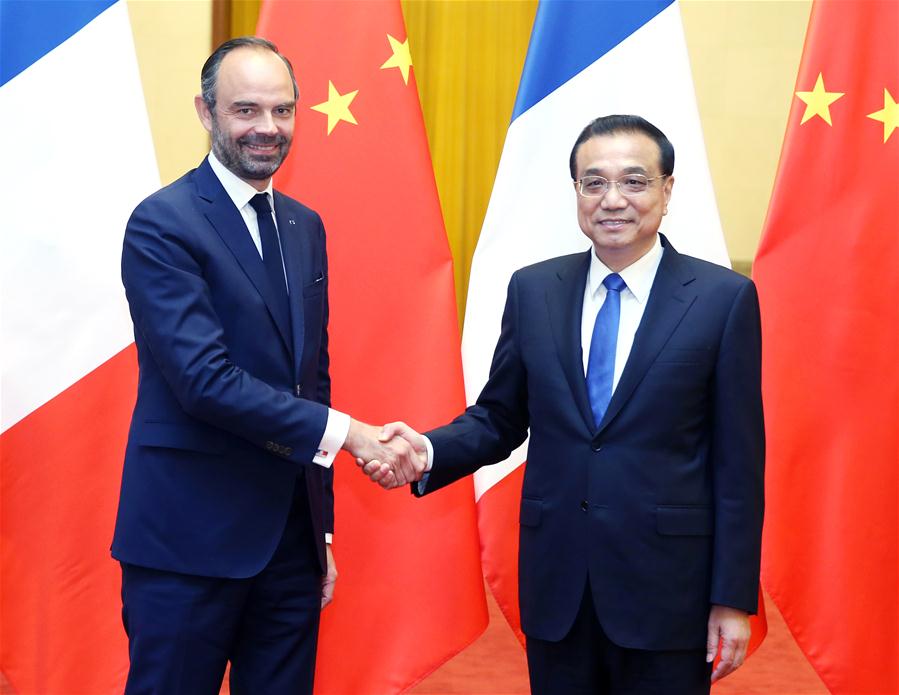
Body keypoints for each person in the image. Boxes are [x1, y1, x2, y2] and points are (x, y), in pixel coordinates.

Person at [367, 115, 764, 694]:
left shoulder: (722, 300)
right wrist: (427, 450)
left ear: (667, 190)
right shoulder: (534, 290)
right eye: (594, 182)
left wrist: (731, 598)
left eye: (634, 181)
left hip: (668, 593)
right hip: (560, 588)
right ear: (576, 192)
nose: (613, 200)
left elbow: (739, 465)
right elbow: (500, 417)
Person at [112, 37, 423, 695]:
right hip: (186, 547)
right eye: (246, 110)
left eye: (282, 111)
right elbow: (204, 381)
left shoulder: (303, 226)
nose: (267, 129)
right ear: (205, 111)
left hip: (289, 544)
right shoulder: (162, 225)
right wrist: (352, 435)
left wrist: (323, 528)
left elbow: (311, 377)